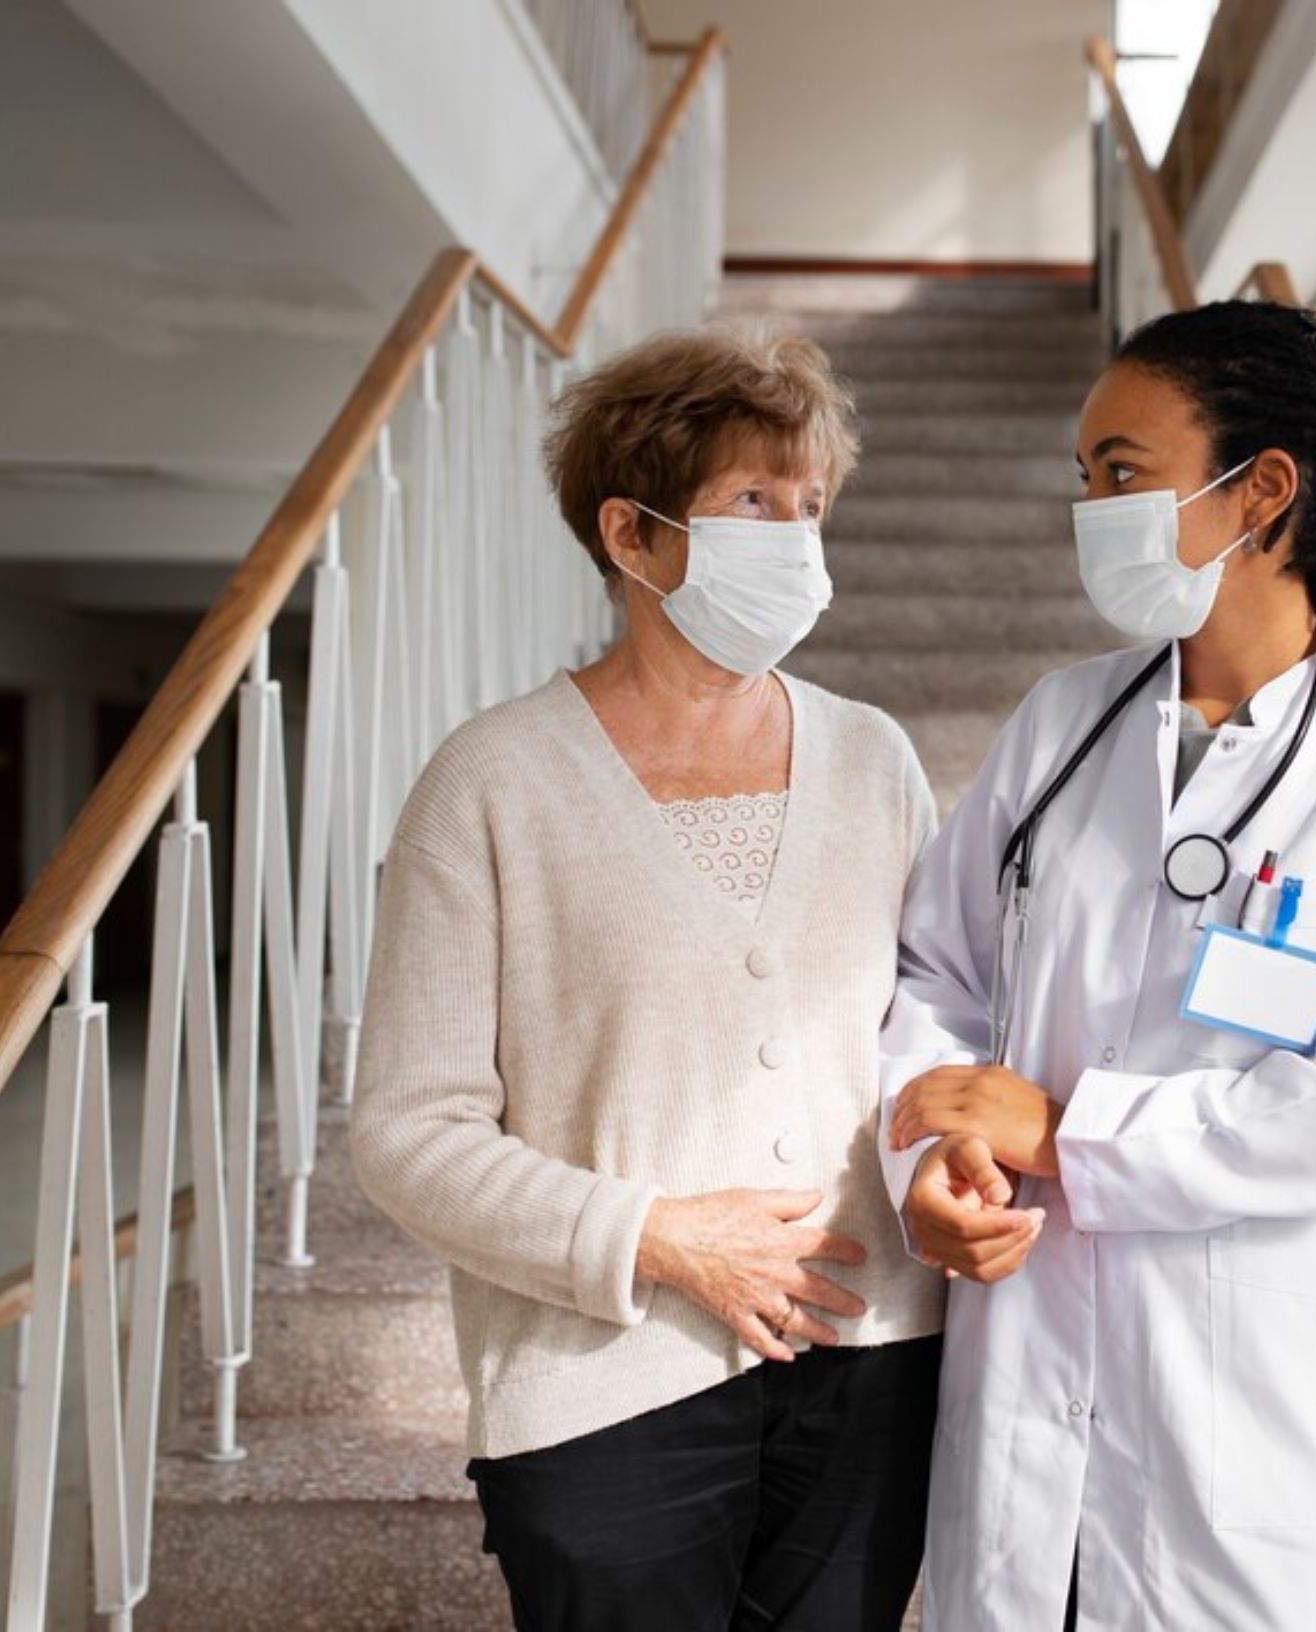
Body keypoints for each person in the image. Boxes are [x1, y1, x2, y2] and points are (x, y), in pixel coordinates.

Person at [877, 301, 1316, 1631]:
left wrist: (1066, 1134)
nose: (1089, 507)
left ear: (1264, 492)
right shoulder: (1064, 723)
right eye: (1085, 479)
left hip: (1270, 1442)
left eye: (1123, 473)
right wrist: (926, 1164)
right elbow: (933, 972)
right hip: (1031, 1418)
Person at [352, 327, 945, 1632]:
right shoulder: (492, 780)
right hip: (601, 1380)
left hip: (875, 1362)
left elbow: (937, 1023)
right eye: (753, 504)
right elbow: (407, 1129)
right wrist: (656, 1238)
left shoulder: (872, 758)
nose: (796, 543)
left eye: (810, 509)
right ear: (634, 535)